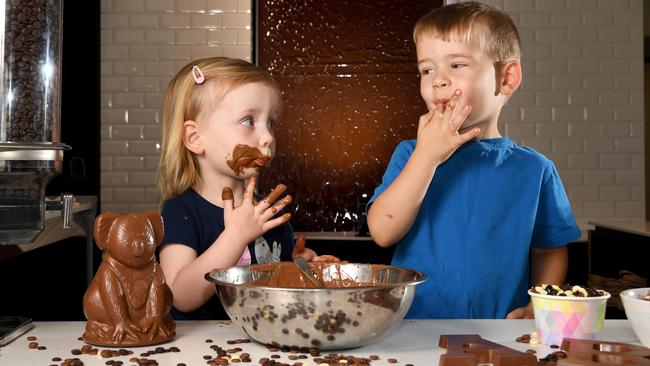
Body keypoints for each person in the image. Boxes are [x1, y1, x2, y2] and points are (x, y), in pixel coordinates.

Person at [367, 1, 580, 319]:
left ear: (506, 78)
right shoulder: (411, 154)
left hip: (501, 333)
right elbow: (383, 233)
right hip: (411, 329)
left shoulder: (535, 170)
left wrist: (540, 305)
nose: (438, 80)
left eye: (457, 65)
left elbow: (549, 251)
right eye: (427, 69)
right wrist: (427, 156)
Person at [157, 57, 335, 320]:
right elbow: (180, 296)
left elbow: (277, 290)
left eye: (271, 123)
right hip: (202, 351)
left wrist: (299, 268)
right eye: (249, 121)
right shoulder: (180, 212)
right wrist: (236, 236)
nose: (268, 137)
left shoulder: (270, 212)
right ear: (196, 138)